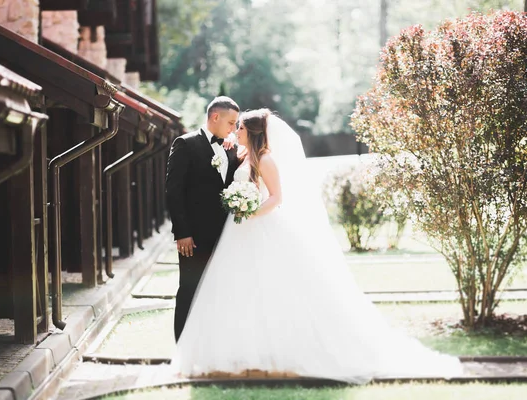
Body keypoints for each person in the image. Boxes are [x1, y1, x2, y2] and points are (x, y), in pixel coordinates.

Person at [170, 108, 464, 383]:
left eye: (242, 126)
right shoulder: (243, 156)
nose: (237, 129)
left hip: (258, 228)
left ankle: (277, 355)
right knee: (240, 291)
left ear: (254, 131)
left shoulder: (266, 159)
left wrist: (249, 212)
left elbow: (276, 198)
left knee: (268, 289)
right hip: (238, 235)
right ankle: (245, 355)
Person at [165, 96, 241, 342]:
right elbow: (173, 191)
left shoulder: (231, 148)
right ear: (215, 117)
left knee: (220, 290)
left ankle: (211, 343)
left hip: (226, 236)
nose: (233, 129)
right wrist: (182, 232)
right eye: (231, 122)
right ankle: (182, 345)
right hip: (194, 237)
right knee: (189, 288)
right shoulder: (185, 144)